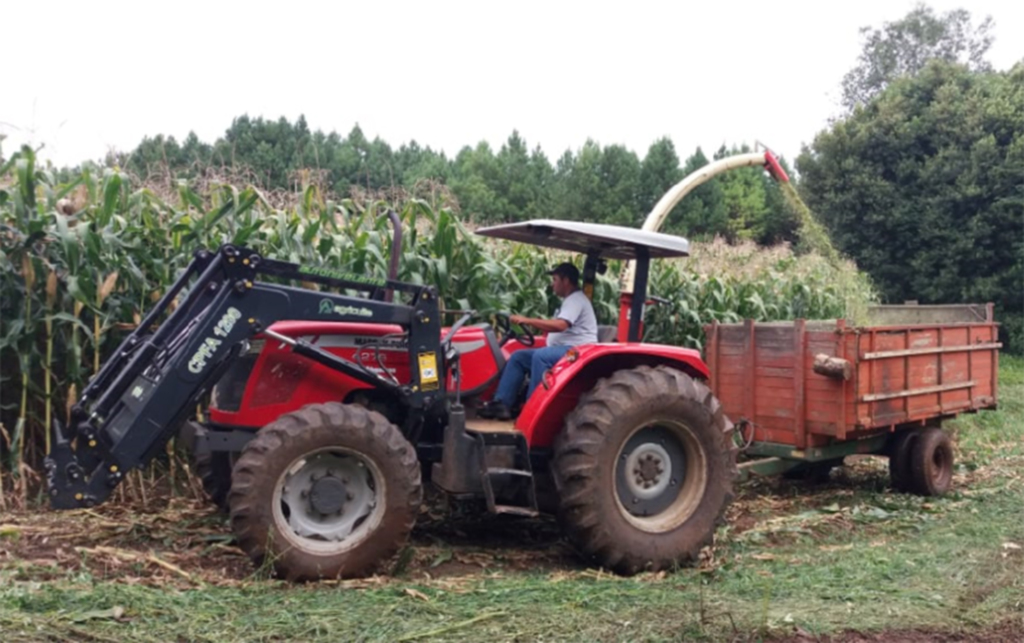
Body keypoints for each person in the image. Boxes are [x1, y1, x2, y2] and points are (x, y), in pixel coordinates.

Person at [480, 262, 598, 420]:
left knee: (541, 356)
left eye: (555, 279)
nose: (552, 284)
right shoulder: (570, 300)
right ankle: (502, 403)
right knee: (518, 357)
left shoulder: (576, 300)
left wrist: (527, 320)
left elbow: (562, 325)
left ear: (566, 281)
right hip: (567, 348)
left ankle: (531, 408)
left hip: (576, 351)